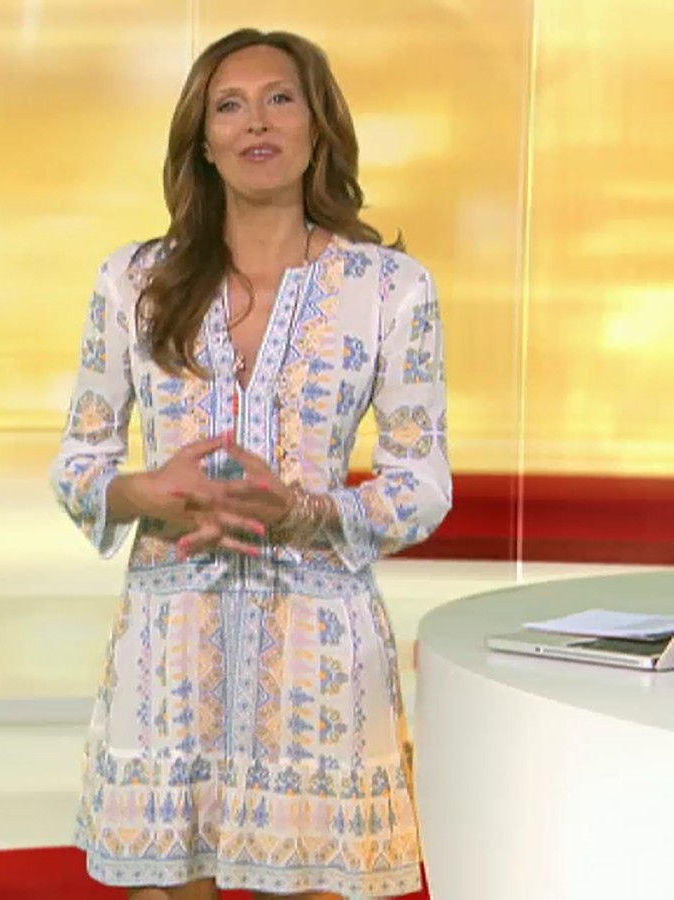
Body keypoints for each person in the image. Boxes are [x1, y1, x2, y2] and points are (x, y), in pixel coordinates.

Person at [50, 28, 450, 900]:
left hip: (320, 652)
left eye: (279, 99)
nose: (255, 122)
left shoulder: (390, 288)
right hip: (169, 650)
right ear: (202, 140)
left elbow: (422, 485)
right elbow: (78, 465)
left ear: (318, 125)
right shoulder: (133, 282)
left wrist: (309, 511)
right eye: (229, 105)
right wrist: (145, 492)